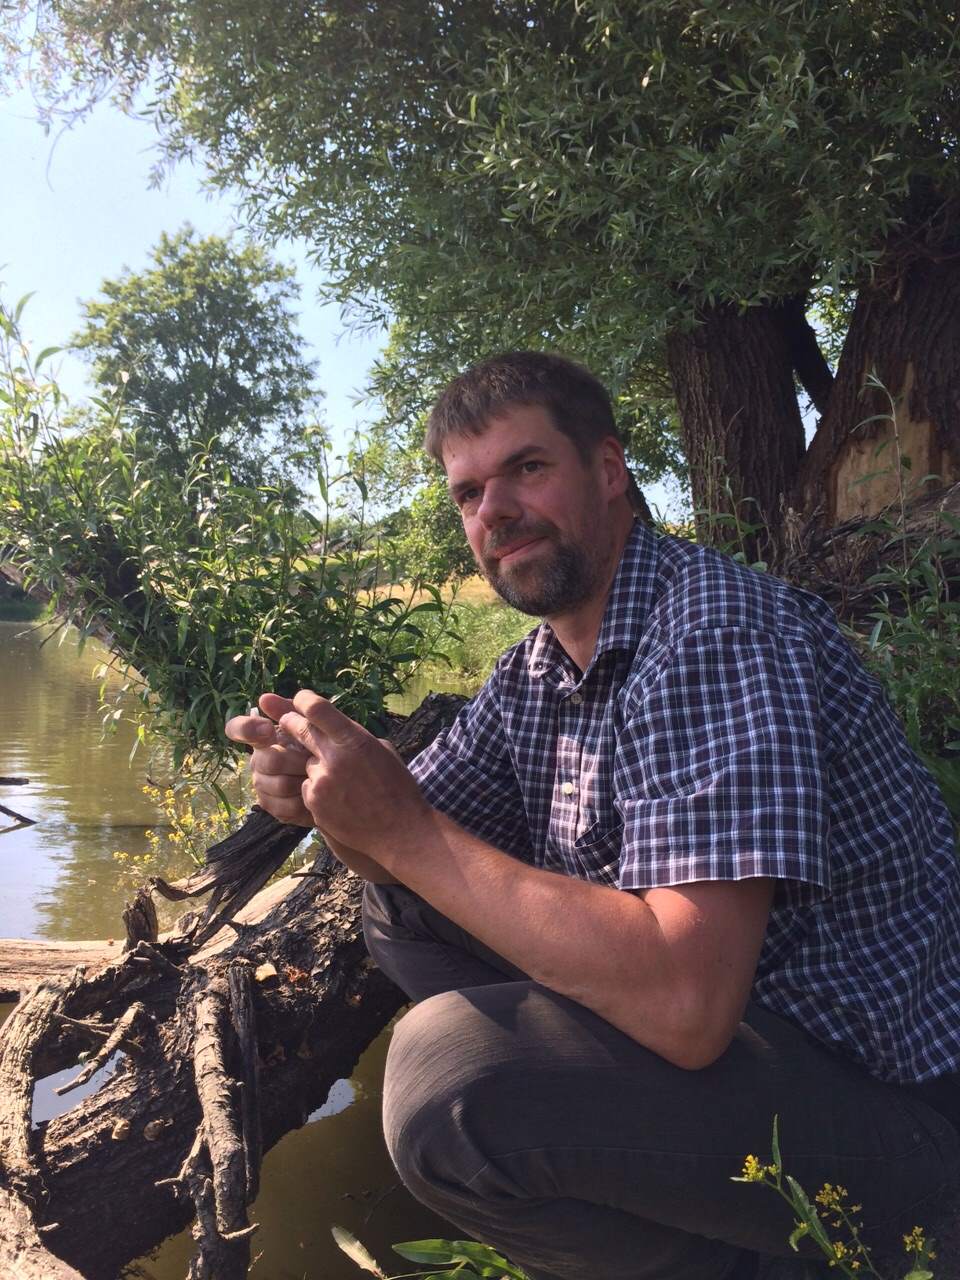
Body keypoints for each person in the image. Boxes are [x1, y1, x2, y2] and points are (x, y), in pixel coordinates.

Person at [226, 352, 960, 1280]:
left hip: (893, 1113)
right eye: (468, 494)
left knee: (448, 1080)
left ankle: (780, 1261)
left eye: (526, 468)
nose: (494, 512)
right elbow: (399, 856)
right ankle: (649, 1193)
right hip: (748, 1047)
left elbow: (690, 1009)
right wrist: (334, 800)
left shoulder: (714, 634)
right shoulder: (536, 669)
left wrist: (401, 829)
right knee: (399, 903)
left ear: (609, 471)